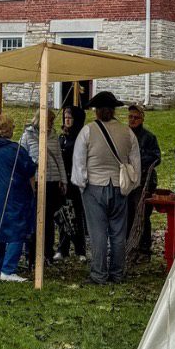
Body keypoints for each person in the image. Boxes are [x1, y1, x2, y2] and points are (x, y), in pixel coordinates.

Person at [71, 91, 140, 284]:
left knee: (98, 233)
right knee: (118, 233)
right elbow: (135, 162)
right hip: (119, 186)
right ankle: (117, 273)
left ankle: (99, 274)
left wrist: (81, 183)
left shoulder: (88, 131)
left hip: (95, 185)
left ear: (97, 111)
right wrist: (132, 185)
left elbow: (79, 162)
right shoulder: (127, 132)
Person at [0, 114, 36, 282]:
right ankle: (8, 269)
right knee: (16, 229)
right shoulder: (15, 150)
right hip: (15, 193)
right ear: (8, 129)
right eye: (12, 126)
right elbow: (29, 168)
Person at [19, 108, 67, 261]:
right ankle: (31, 254)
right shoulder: (27, 136)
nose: (51, 124)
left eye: (52, 121)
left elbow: (59, 158)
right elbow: (21, 159)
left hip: (52, 181)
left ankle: (47, 252)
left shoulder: (53, 135)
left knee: (49, 220)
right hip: (36, 182)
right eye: (49, 121)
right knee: (34, 219)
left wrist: (63, 179)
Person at [126, 103, 161, 256]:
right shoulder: (124, 136)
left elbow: (156, 157)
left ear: (142, 119)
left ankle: (145, 247)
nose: (132, 120)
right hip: (128, 180)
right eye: (130, 117)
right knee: (128, 213)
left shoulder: (149, 137)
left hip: (145, 181)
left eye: (136, 117)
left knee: (143, 214)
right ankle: (129, 244)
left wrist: (138, 161)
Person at [58, 104, 88, 260]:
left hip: (75, 179)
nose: (67, 120)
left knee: (76, 214)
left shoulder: (79, 138)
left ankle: (80, 249)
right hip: (64, 180)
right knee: (64, 214)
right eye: (65, 117)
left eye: (70, 117)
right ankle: (62, 248)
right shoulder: (62, 137)